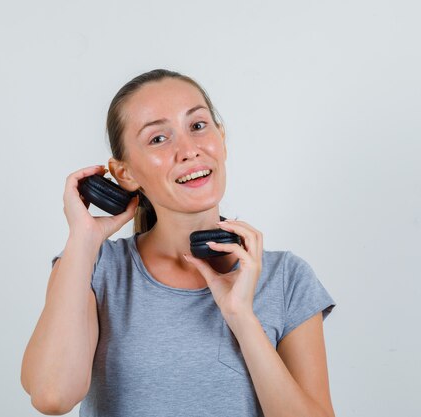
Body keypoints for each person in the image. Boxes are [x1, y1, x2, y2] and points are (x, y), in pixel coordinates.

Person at [21, 68, 337, 417]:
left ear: (222, 138)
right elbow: (52, 395)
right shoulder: (93, 268)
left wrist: (242, 318)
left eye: (198, 126)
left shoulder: (286, 278)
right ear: (125, 173)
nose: (189, 150)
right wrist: (84, 238)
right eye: (158, 138)